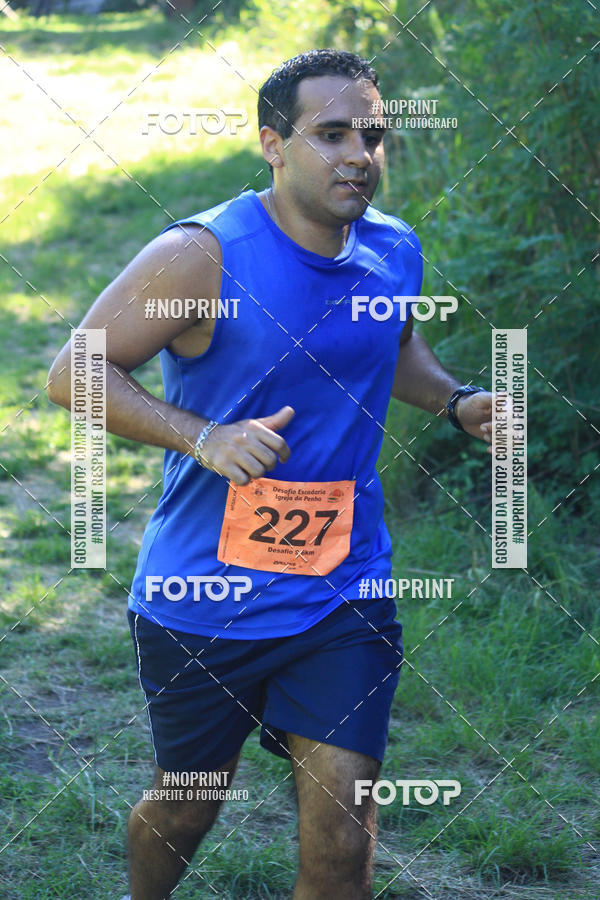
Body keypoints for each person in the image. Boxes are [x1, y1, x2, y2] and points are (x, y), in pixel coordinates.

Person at [48, 48, 493, 900]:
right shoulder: (202, 254)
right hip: (203, 595)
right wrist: (203, 435)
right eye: (332, 134)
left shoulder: (394, 249)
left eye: (372, 135)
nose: (359, 154)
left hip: (343, 589)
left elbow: (390, 347)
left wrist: (455, 401)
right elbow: (75, 371)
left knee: (341, 838)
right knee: (188, 809)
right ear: (272, 143)